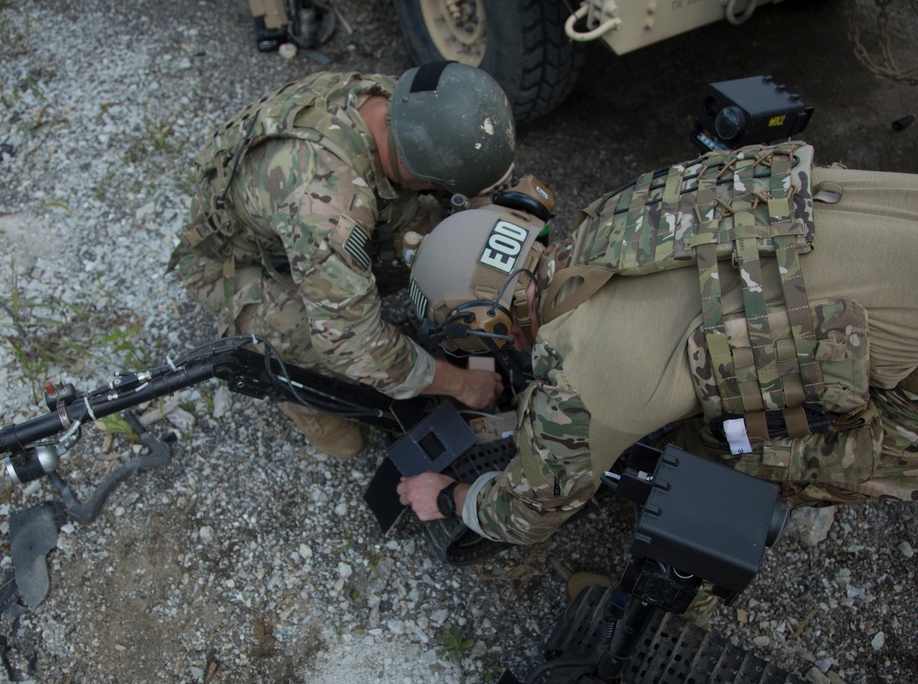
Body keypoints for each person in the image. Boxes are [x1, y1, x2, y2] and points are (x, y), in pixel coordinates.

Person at [396, 143, 918, 544]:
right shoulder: (616, 213)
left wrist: (450, 498)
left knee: (707, 461)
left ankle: (693, 597)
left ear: (492, 329)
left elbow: (525, 512)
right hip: (893, 216)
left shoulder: (582, 383)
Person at [168, 62, 514, 458]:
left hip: (299, 226)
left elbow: (479, 193)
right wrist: (461, 384)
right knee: (309, 341)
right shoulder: (329, 204)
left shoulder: (406, 105)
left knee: (440, 241)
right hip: (233, 264)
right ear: (416, 169)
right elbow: (351, 343)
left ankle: (342, 286)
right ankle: (298, 394)